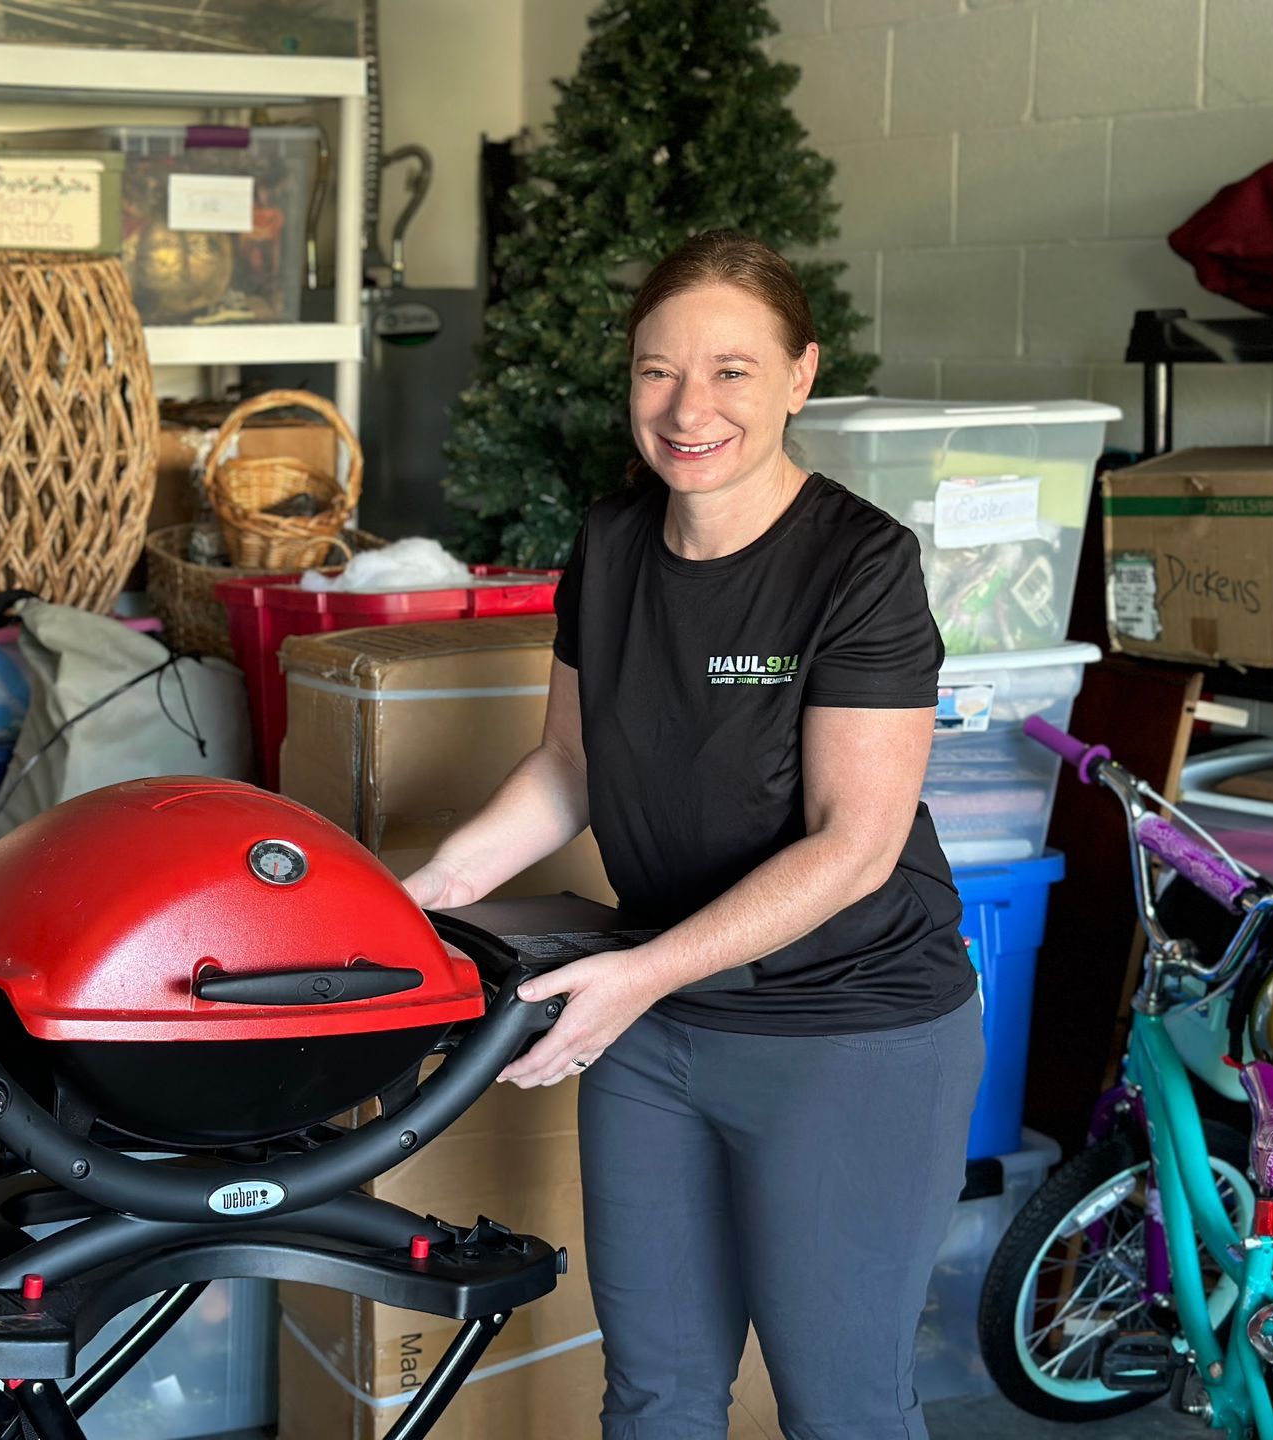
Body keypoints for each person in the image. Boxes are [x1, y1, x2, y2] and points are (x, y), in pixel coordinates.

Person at [404, 230, 983, 1439]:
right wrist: (414, 899)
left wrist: (641, 973)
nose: (687, 408)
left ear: (800, 375)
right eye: (657, 371)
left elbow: (854, 844)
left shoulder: (861, 566)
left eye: (731, 370)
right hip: (655, 1025)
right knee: (657, 1391)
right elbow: (567, 770)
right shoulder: (611, 546)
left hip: (848, 1036)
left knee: (842, 1409)